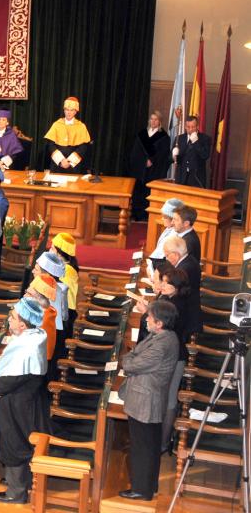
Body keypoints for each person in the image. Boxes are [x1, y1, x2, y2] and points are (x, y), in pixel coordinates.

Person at [0, 297, 49, 504]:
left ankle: (16, 492)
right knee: (17, 440)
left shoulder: (25, 345)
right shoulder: (35, 336)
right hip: (25, 400)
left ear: (22, 324)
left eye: (12, 317)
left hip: (17, 403)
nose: (8, 320)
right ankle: (19, 482)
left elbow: (12, 379)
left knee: (15, 442)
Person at [118, 300, 179, 501]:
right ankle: (148, 486)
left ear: (159, 323)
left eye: (150, 318)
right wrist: (130, 359)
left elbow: (132, 364)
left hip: (145, 401)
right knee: (149, 445)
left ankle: (141, 490)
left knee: (143, 447)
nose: (147, 321)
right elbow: (133, 355)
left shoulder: (162, 344)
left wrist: (128, 361)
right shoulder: (160, 336)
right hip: (146, 398)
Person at [136, 266, 192, 451]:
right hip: (170, 356)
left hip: (174, 358)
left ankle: (162, 443)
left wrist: (146, 312)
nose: (163, 284)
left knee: (169, 401)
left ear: (176, 286)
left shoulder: (176, 305)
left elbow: (164, 329)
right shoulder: (172, 300)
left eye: (167, 283)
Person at [127, 111, 170, 220]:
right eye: (152, 119)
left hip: (153, 171)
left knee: (148, 193)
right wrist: (142, 161)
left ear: (160, 122)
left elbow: (163, 154)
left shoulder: (164, 137)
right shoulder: (143, 134)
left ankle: (147, 217)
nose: (153, 121)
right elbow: (135, 152)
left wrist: (152, 160)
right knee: (138, 192)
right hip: (140, 170)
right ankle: (136, 215)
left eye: (156, 119)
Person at [44, 97, 91, 174]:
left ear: (76, 111)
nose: (69, 112)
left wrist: (70, 161)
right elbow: (50, 145)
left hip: (74, 166)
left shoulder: (81, 126)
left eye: (71, 110)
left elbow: (83, 147)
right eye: (67, 110)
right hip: (57, 164)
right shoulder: (56, 124)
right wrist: (61, 160)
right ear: (64, 110)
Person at [172, 115, 212, 188]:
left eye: (193, 127)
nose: (190, 129)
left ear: (197, 127)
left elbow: (205, 155)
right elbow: (171, 159)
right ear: (185, 127)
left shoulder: (205, 139)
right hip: (181, 178)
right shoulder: (179, 139)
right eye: (188, 127)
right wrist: (174, 155)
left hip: (196, 179)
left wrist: (196, 142)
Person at [148, 198, 184, 270]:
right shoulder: (169, 229)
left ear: (173, 219)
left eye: (164, 217)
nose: (162, 219)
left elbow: (165, 259)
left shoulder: (175, 235)